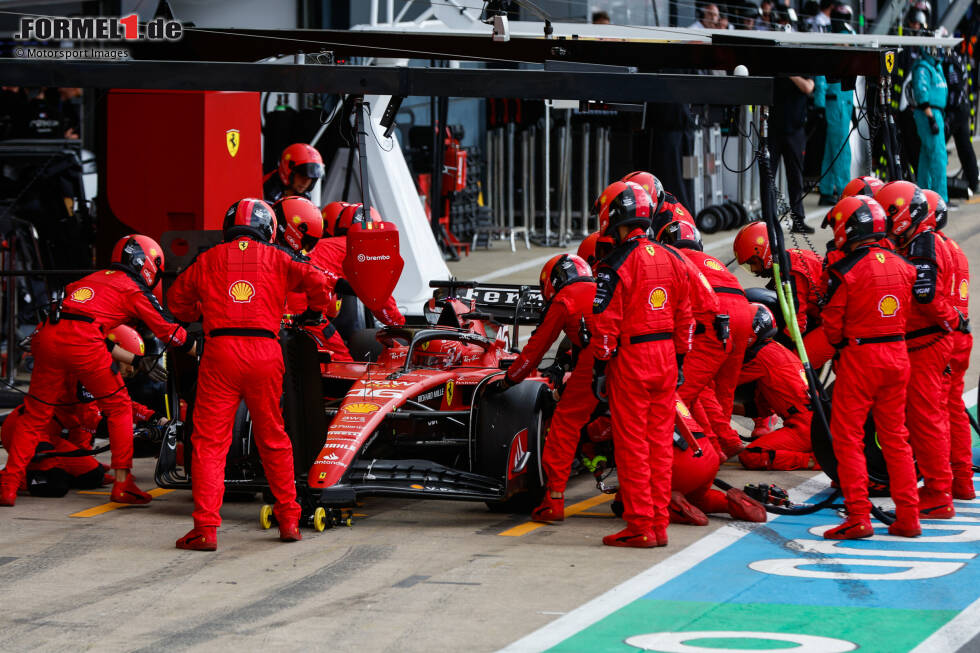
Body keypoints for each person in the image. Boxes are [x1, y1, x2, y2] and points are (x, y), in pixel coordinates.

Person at [167, 198, 330, 551]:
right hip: (266, 353)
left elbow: (176, 300)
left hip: (219, 353)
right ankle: (288, 519)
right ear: (269, 228)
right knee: (273, 437)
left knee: (210, 444)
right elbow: (320, 284)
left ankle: (206, 529)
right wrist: (313, 315)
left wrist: (205, 306)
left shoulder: (207, 258)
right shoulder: (281, 257)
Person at [0, 235, 193, 507]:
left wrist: (137, 365)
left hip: (48, 337)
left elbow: (74, 323)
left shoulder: (87, 281)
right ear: (147, 263)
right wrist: (205, 351)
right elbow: (170, 332)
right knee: (119, 409)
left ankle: (8, 485)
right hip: (80, 346)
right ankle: (123, 485)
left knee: (36, 415)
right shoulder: (132, 289)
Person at [590, 180, 693, 547]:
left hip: (632, 360)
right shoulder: (673, 258)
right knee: (660, 445)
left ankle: (640, 526)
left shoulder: (613, 264)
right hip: (666, 357)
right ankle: (659, 524)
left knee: (632, 446)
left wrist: (601, 368)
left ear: (614, 217)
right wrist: (680, 359)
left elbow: (605, 324)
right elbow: (686, 317)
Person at [820, 195, 921, 539]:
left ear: (849, 228)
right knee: (896, 438)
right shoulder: (904, 264)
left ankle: (859, 516)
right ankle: (908, 516)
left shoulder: (845, 271)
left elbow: (833, 325)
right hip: (898, 355)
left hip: (861, 358)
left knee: (848, 438)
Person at [876, 181, 963, 518]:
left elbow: (927, 296)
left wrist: (948, 319)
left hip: (927, 343)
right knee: (929, 416)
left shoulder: (923, 243)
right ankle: (941, 485)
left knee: (926, 419)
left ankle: (940, 494)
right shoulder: (918, 239)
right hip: (925, 341)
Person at [0, 326, 161, 497]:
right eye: (130, 360)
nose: (131, 370)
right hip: (27, 431)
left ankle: (49, 469)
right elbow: (91, 421)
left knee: (93, 477)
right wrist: (133, 430)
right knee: (55, 485)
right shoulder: (85, 369)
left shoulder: (98, 373)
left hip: (52, 435)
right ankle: (14, 478)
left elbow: (122, 404)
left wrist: (154, 418)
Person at [499, 254, 596, 522]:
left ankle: (553, 500)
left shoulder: (566, 299)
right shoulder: (603, 287)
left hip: (597, 361)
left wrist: (509, 379)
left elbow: (535, 349)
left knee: (564, 424)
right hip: (636, 359)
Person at [657, 220, 752, 460]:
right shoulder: (713, 261)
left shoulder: (674, 258)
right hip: (743, 312)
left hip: (714, 313)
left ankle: (710, 448)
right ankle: (727, 440)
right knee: (725, 388)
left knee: (689, 389)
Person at [926, 190, 974, 500]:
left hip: (943, 336)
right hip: (960, 335)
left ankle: (941, 486)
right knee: (953, 409)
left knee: (935, 413)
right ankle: (962, 482)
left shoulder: (930, 249)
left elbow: (928, 298)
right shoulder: (953, 246)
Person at [733, 221, 834, 368]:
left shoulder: (791, 272)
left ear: (764, 251)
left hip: (835, 324)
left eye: (753, 262)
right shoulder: (786, 262)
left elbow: (797, 324)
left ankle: (807, 391)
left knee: (794, 366)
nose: (753, 269)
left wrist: (775, 349)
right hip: (825, 316)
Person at [737, 304, 818, 470]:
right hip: (813, 421)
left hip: (804, 427)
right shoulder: (776, 349)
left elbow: (720, 384)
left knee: (751, 456)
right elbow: (761, 410)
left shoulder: (760, 358)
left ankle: (811, 460)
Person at [273, 197, 349, 363]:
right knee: (344, 361)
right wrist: (314, 313)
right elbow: (317, 280)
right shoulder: (286, 259)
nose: (307, 248)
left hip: (263, 331)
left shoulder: (291, 258)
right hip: (279, 329)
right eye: (307, 242)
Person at [317, 201, 405, 328]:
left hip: (288, 307)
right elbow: (380, 297)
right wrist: (400, 326)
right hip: (304, 311)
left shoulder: (323, 246)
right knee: (338, 348)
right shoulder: (361, 250)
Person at [769, 75, 816, 233]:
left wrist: (790, 74)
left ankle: (798, 220)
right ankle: (769, 219)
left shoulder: (802, 64)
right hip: (773, 129)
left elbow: (808, 87)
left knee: (795, 177)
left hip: (795, 131)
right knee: (768, 177)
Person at [911, 47, 949, 200]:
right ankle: (940, 198)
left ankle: (924, 196)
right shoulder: (923, 67)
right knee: (938, 157)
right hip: (929, 113)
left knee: (927, 157)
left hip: (936, 113)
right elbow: (921, 92)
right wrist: (931, 118)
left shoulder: (935, 67)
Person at [944, 45, 979, 192]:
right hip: (959, 109)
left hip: (956, 111)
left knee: (938, 148)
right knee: (965, 147)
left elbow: (956, 89)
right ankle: (973, 180)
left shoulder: (950, 61)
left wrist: (950, 114)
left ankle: (973, 180)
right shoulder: (954, 58)